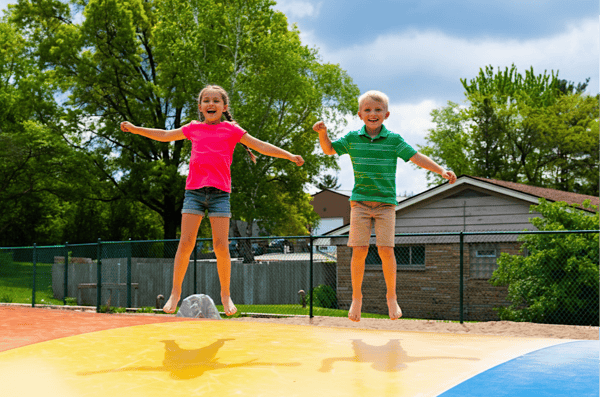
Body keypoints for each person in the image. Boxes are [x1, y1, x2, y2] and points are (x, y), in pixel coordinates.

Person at [121, 85, 304, 315]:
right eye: (206, 100)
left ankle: (225, 296)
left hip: (220, 195)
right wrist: (137, 129)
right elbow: (166, 135)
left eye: (216, 101)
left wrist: (288, 155)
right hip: (194, 193)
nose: (211, 104)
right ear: (200, 107)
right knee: (186, 243)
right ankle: (175, 293)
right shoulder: (193, 128)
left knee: (221, 246)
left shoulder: (232, 130)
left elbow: (260, 145)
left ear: (224, 107)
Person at [313, 90, 456, 322]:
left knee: (386, 250)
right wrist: (323, 133)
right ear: (360, 115)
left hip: (386, 205)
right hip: (359, 203)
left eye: (378, 110)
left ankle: (391, 297)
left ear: (386, 114)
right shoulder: (352, 138)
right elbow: (329, 149)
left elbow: (416, 157)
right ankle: (356, 298)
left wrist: (441, 170)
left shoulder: (393, 141)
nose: (373, 114)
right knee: (359, 250)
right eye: (368, 110)